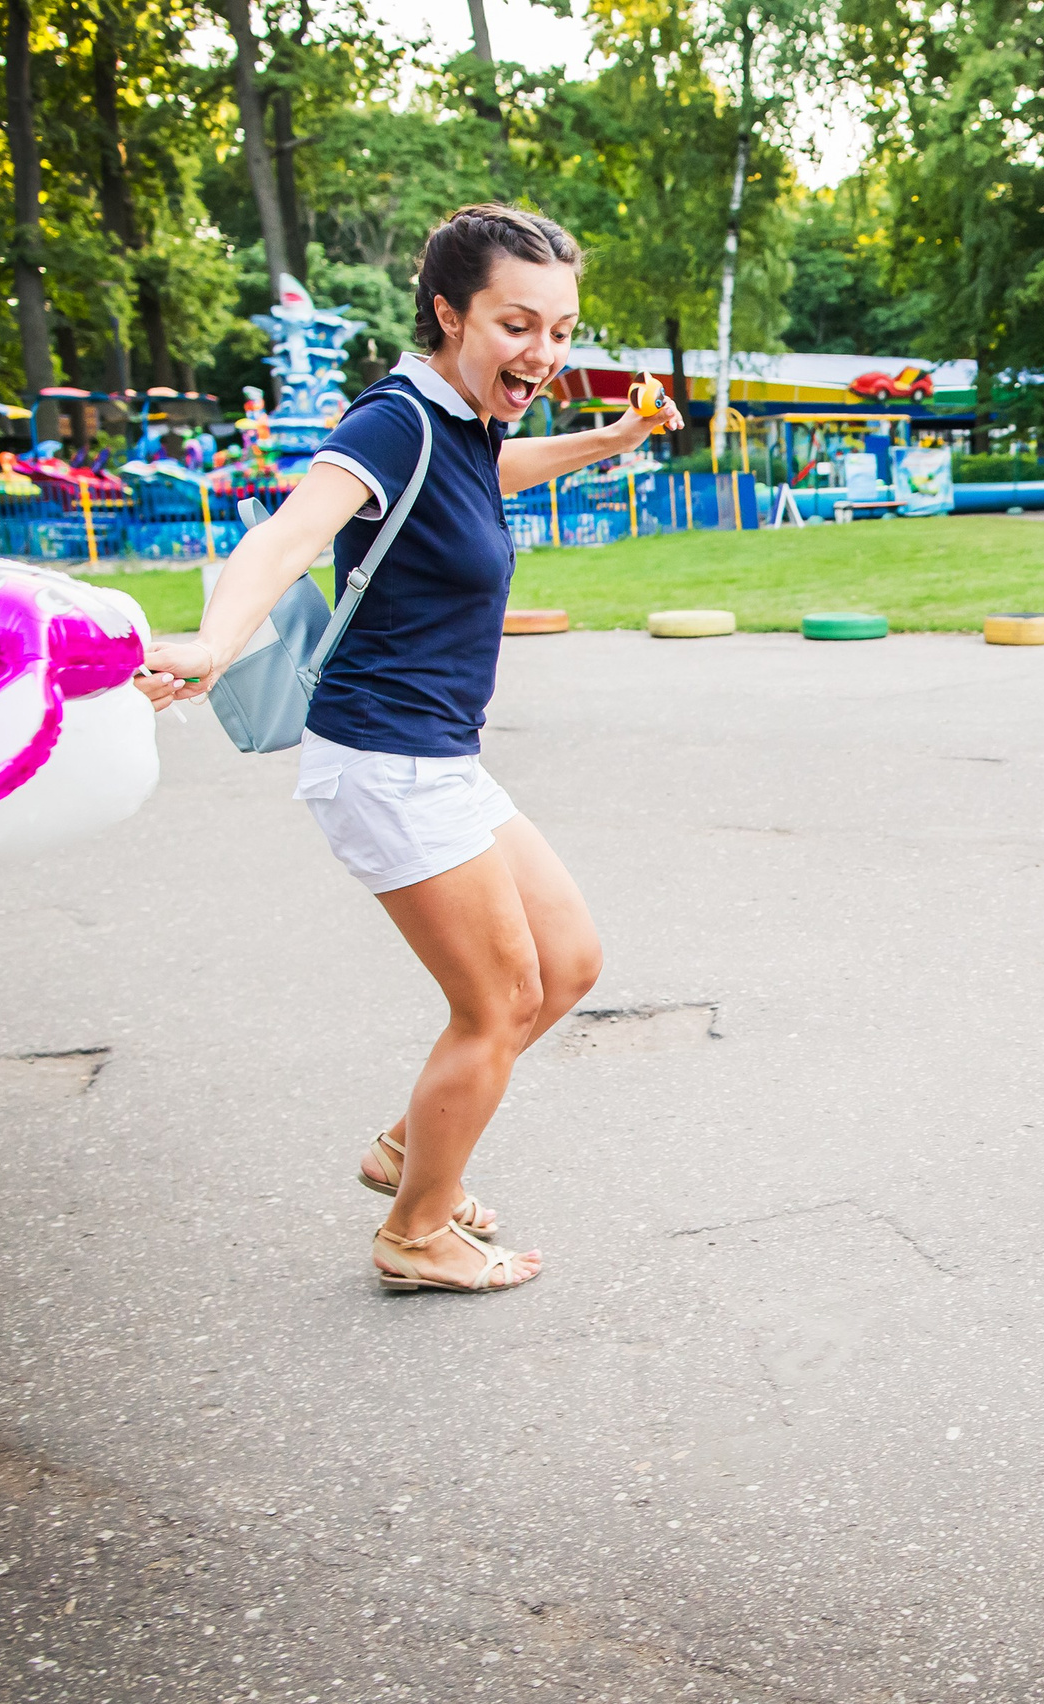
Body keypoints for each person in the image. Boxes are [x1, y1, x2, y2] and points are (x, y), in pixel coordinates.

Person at [135, 204, 685, 1291]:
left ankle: (405, 1147)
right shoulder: (396, 420)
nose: (543, 353)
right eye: (517, 324)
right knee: (498, 1005)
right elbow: (292, 528)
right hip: (385, 763)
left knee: (569, 965)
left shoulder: (463, 423)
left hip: (438, 755)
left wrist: (611, 440)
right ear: (449, 312)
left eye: (562, 330)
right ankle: (415, 1230)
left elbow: (496, 474)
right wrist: (212, 637)